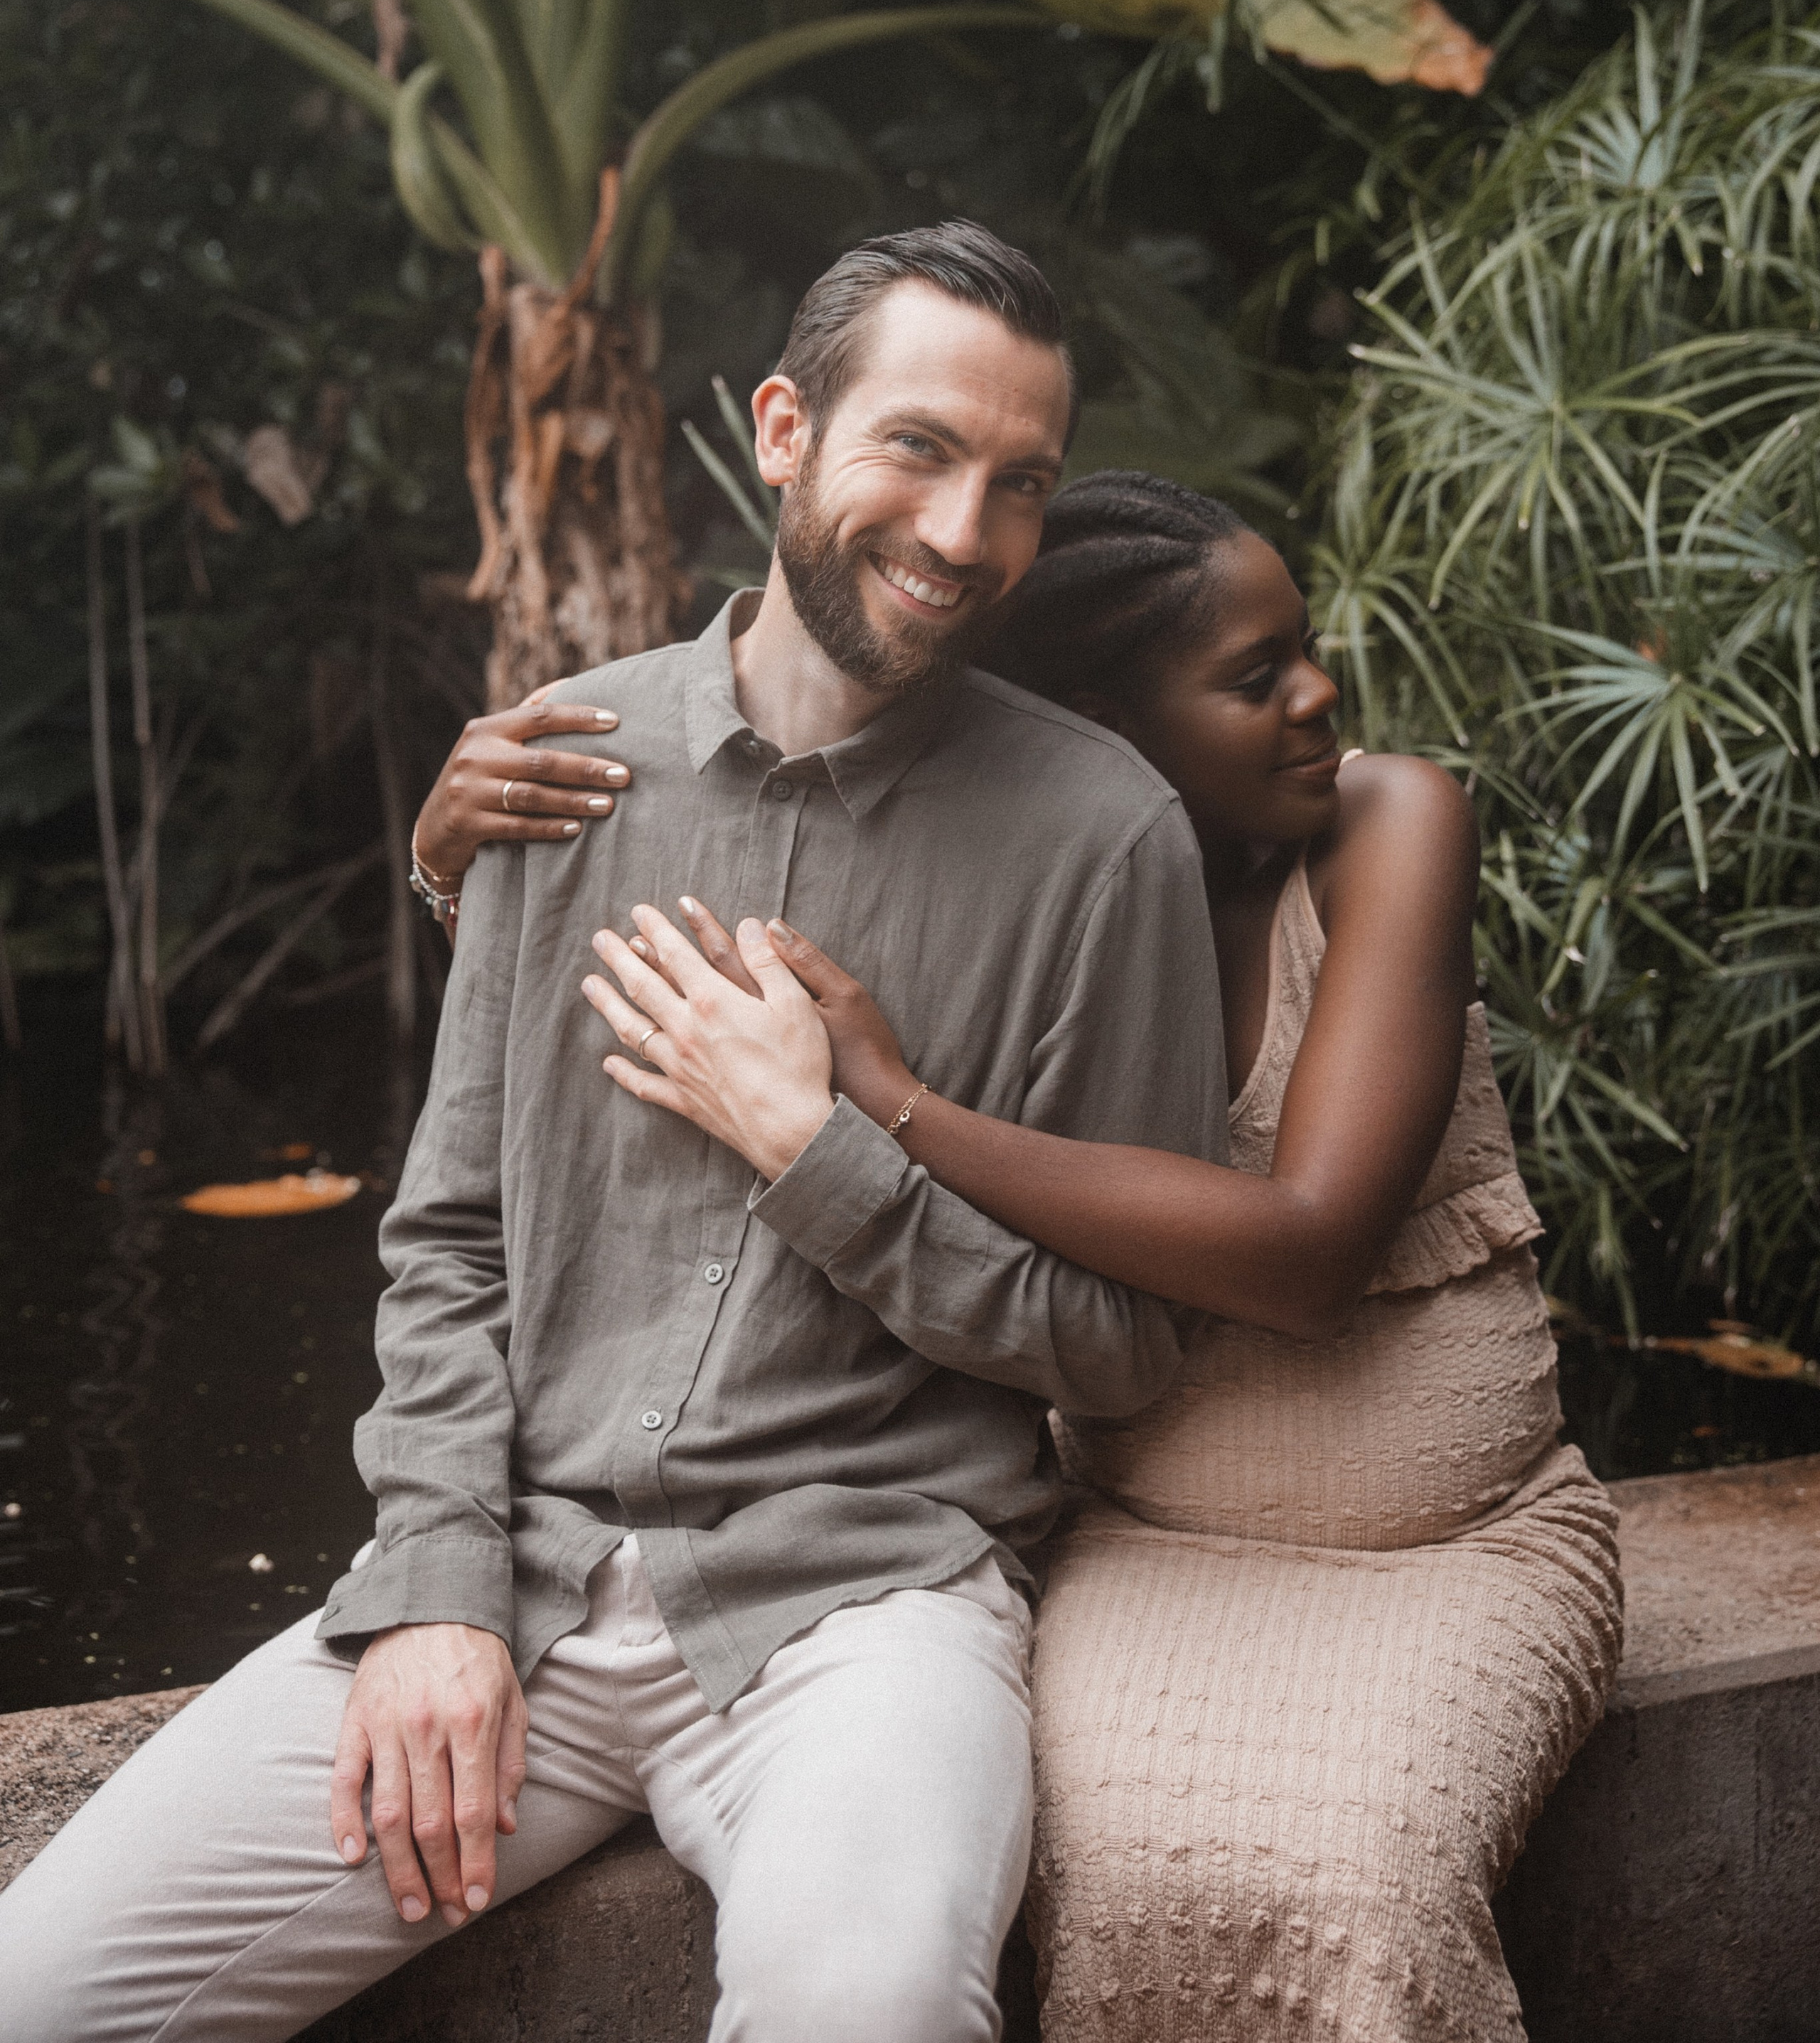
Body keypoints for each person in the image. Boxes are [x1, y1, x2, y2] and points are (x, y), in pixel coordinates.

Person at [0, 226, 1231, 2043]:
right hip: (516, 1566)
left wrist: (818, 1155)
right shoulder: (555, 765)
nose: (967, 534)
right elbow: (448, 1243)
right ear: (784, 430)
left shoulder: (1106, 840)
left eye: (1020, 482)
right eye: (918, 449)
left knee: (868, 2006)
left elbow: (1122, 1353)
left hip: (866, 1609)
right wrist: (434, 1590)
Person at [489, 471, 1621, 2042]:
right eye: (1250, 678)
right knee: (1112, 1869)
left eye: (1303, 649)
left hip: (1457, 1549)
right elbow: (640, 1010)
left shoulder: (1387, 821)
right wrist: (446, 854)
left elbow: (1304, 1250)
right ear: (1098, 728)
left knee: (1357, 1879)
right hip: (1140, 1552)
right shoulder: (1015, 876)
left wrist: (893, 1104)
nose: (1315, 699)